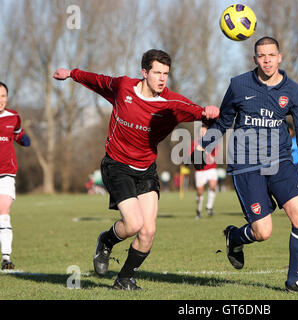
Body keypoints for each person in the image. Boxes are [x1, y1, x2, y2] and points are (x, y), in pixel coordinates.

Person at [53, 49, 219, 290]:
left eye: (166, 74)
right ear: (144, 72)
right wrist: (71, 73)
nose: (162, 78)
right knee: (132, 225)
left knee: (148, 232)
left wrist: (208, 119)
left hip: (146, 170)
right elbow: (97, 80)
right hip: (116, 165)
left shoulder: (173, 103)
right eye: (157, 73)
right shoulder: (123, 88)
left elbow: (206, 116)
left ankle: (123, 279)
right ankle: (106, 240)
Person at [198, 37, 298, 293]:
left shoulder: (294, 92)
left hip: (280, 162)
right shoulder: (238, 85)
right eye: (261, 55)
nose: (267, 60)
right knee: (262, 232)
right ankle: (234, 237)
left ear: (280, 57)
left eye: (271, 55)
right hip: (247, 165)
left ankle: (294, 281)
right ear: (254, 59)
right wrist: (204, 147)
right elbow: (224, 121)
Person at [0, 82, 31, 270]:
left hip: (6, 172)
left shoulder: (14, 117)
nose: (0, 99)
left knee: (3, 211)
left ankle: (6, 257)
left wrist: (24, 140)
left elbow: (19, 135)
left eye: (3, 95)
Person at [191, 125, 218, 219]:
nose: (203, 133)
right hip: (200, 171)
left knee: (213, 186)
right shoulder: (195, 143)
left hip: (211, 168)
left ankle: (209, 207)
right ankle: (198, 211)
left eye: (204, 131)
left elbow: (214, 153)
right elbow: (191, 156)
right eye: (201, 131)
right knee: (199, 192)